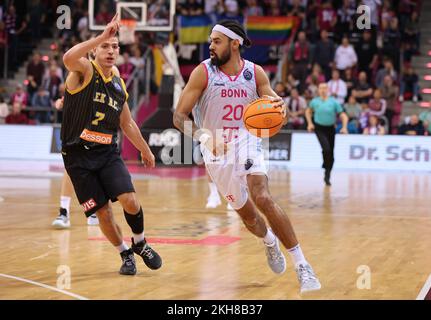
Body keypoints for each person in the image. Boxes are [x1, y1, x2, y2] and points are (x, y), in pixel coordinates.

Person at [173, 20, 321, 294]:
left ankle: (302, 265)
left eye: (216, 41)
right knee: (249, 216)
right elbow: (179, 117)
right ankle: (268, 241)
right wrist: (205, 136)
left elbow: (274, 103)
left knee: (262, 196)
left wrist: (281, 106)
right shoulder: (202, 72)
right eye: (210, 41)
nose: (211, 46)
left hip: (246, 141)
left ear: (235, 43)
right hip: (216, 149)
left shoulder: (255, 73)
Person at [61, 14, 161, 275]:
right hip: (77, 157)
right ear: (95, 49)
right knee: (103, 213)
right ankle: (124, 254)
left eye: (115, 46)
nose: (111, 50)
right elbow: (68, 58)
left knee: (130, 200)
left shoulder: (117, 82)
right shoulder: (84, 70)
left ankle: (139, 242)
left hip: (106, 151)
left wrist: (144, 148)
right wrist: (102, 36)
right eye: (105, 46)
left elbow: (127, 123)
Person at [51, 97, 99, 229]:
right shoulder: (77, 79)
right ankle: (64, 211)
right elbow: (60, 103)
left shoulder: (101, 82)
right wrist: (60, 102)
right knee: (70, 169)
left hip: (96, 131)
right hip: (75, 131)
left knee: (90, 173)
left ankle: (91, 210)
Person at [305, 83, 349, 186]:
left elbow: (343, 115)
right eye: (321, 88)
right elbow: (308, 111)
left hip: (330, 129)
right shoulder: (314, 101)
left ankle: (327, 174)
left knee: (331, 153)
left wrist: (344, 127)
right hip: (319, 128)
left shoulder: (333, 102)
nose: (323, 90)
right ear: (318, 90)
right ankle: (325, 164)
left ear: (328, 89)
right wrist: (310, 123)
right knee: (326, 149)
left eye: (325, 88)